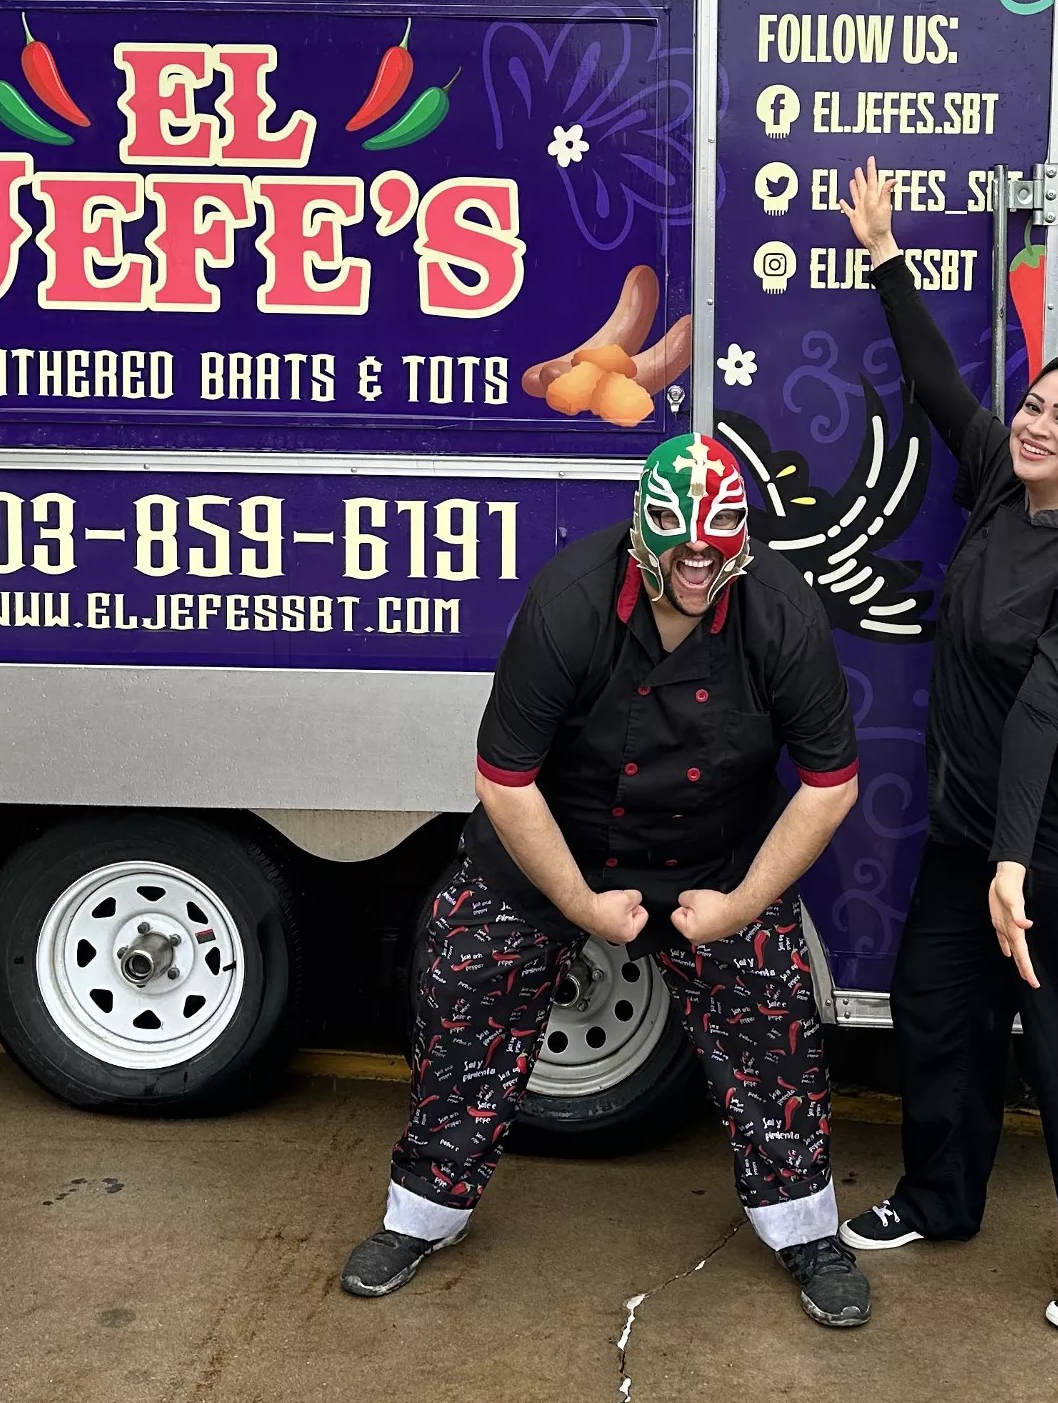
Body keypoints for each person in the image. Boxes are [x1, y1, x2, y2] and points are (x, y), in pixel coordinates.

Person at [340, 432, 873, 1328]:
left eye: (719, 546)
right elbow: (504, 780)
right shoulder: (572, 600)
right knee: (461, 981)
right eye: (683, 548)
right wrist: (581, 904)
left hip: (711, 860)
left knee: (774, 1016)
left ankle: (804, 1230)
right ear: (645, 537)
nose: (700, 568)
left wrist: (738, 907)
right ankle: (424, 1214)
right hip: (558, 844)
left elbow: (832, 785)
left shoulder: (780, 610)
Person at [833, 158, 1058, 1336]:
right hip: (976, 838)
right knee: (937, 1009)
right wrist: (884, 250)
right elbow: (936, 384)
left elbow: (1043, 713)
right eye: (1034, 405)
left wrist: (1016, 868)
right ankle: (939, 1198)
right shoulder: (999, 488)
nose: (1034, 424)